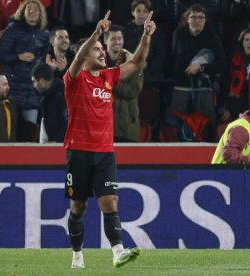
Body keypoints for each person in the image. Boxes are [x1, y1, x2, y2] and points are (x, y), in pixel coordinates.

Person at [63, 10, 155, 268]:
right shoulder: (74, 80)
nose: (103, 52)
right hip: (78, 151)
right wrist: (95, 34)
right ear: (84, 55)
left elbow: (136, 63)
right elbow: (78, 58)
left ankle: (117, 251)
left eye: (103, 49)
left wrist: (146, 36)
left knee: (110, 202)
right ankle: (77, 255)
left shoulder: (107, 78)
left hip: (104, 152)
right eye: (97, 50)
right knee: (78, 207)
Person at [169, 4, 226, 141]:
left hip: (204, 86)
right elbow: (173, 58)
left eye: (201, 17)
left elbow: (221, 64)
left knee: (206, 126)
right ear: (187, 19)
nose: (197, 20)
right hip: (181, 85)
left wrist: (200, 67)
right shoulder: (178, 34)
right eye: (194, 17)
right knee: (175, 124)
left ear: (205, 20)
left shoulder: (213, 37)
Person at [0, 0, 50, 124]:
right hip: (12, 88)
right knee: (10, 129)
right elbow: (0, 55)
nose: (32, 11)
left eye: (35, 9)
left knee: (29, 131)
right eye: (28, 9)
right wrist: (18, 57)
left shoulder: (44, 34)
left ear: (40, 13)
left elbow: (46, 58)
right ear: (22, 12)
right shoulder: (13, 29)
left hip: (32, 91)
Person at [104, 25, 143, 142]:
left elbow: (132, 91)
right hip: (102, 126)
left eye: (120, 38)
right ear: (105, 40)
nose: (117, 42)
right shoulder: (96, 63)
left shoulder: (134, 63)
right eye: (113, 39)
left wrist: (110, 80)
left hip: (126, 127)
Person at [221, 28, 250, 122]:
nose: (249, 42)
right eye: (246, 40)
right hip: (236, 101)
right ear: (242, 42)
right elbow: (226, 82)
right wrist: (228, 107)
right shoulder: (234, 58)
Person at [31, 63, 67, 143]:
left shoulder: (60, 95)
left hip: (63, 145)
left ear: (42, 81)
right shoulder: (48, 96)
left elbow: (66, 120)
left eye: (34, 81)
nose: (34, 86)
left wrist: (57, 140)